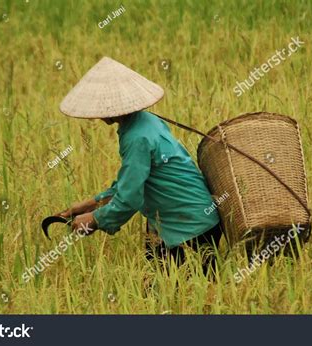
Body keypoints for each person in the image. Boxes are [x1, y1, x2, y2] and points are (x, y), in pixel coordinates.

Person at [56, 57, 222, 275]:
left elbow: (130, 197)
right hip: (177, 222)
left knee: (174, 297)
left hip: (189, 227)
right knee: (158, 292)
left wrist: (95, 219)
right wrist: (90, 204)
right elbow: (131, 183)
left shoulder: (137, 137)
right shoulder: (146, 121)